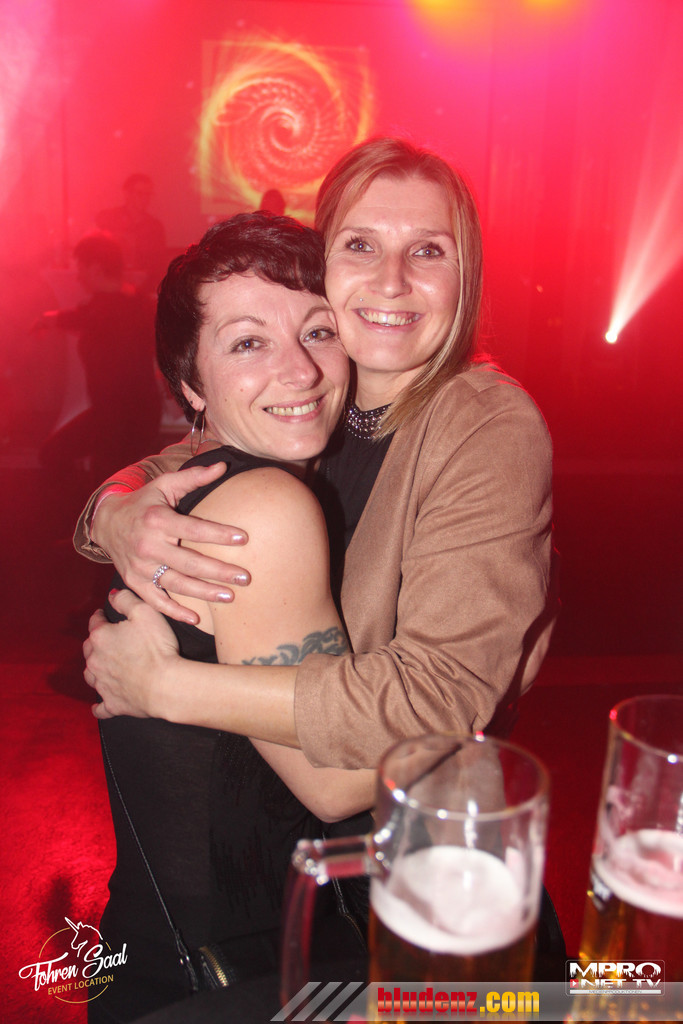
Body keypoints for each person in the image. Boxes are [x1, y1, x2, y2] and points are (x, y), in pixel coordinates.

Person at [80, 137, 556, 770]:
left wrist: (166, 687)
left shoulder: (486, 423)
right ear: (322, 261)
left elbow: (437, 701)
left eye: (428, 250)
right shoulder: (329, 386)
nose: (392, 280)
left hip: (418, 816)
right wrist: (112, 510)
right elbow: (197, 453)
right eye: (360, 245)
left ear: (465, 276)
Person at [90, 212, 373, 1023]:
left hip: (159, 953)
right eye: (248, 342)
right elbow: (336, 779)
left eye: (318, 331)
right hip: (247, 978)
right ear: (190, 384)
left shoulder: (205, 490)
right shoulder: (267, 507)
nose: (300, 369)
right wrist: (485, 688)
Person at [36, 231, 161, 489]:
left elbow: (86, 316)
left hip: (119, 419)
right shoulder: (132, 303)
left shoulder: (109, 309)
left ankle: (77, 510)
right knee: (110, 483)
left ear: (95, 267)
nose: (78, 276)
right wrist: (49, 319)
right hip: (131, 413)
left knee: (69, 463)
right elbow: (81, 315)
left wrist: (48, 319)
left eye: (81, 267)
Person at [96, 174, 168, 292]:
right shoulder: (109, 219)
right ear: (127, 194)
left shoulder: (154, 227)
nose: (144, 198)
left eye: (148, 194)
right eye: (140, 193)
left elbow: (159, 263)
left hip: (143, 288)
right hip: (113, 287)